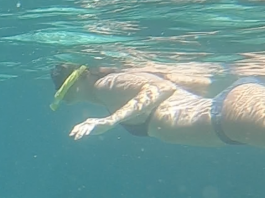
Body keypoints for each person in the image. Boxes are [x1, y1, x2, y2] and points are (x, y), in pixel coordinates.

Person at [50, 59, 265, 147]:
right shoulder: (107, 93)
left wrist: (111, 121)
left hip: (226, 113)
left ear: (84, 76)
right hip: (227, 115)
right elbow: (182, 85)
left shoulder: (105, 85)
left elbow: (161, 88)